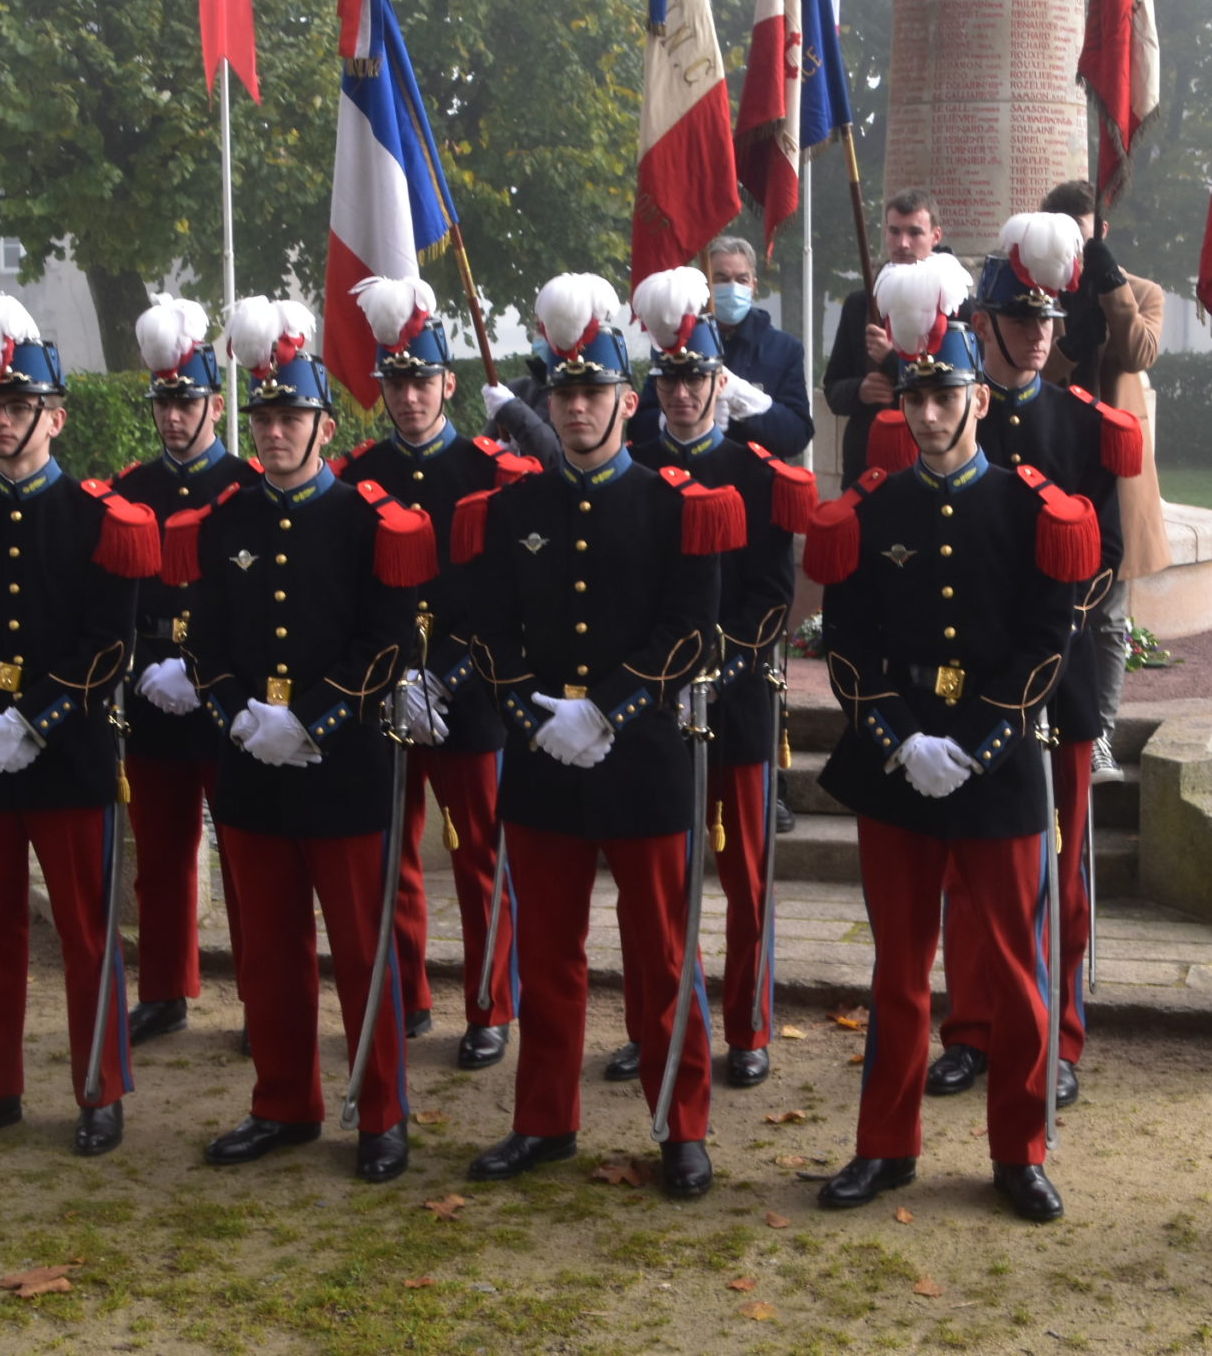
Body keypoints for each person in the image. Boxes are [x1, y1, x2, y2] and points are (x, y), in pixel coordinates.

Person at [805, 253, 1093, 1225]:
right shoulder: (871, 509)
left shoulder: (1028, 506)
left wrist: (973, 741)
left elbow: (1044, 644)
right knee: (897, 970)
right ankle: (884, 1145)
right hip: (896, 766)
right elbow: (848, 648)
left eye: (945, 397)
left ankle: (1019, 1150)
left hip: (996, 764)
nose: (928, 417)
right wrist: (899, 740)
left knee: (1014, 971)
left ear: (977, 396)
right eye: (915, 399)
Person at [451, 273, 734, 1200]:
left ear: (626, 398)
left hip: (642, 758)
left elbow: (690, 633)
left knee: (662, 956)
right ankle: (543, 1119)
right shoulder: (511, 510)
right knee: (547, 956)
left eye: (594, 391)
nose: (576, 407)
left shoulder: (672, 504)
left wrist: (606, 707)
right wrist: (537, 712)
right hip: (542, 759)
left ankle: (681, 1124)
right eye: (563, 393)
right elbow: (486, 631)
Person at [162, 296, 431, 1180]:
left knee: (360, 950)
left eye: (292, 418)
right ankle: (282, 1101)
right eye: (264, 419)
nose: (275, 433)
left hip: (343, 767)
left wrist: (309, 717)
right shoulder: (222, 522)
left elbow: (388, 643)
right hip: (252, 767)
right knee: (270, 955)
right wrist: (241, 714)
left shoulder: (369, 520)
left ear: (325, 425)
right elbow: (200, 640)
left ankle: (381, 1111)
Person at [0, 294, 158, 1157]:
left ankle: (99, 1089)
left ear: (56, 416)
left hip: (69, 749)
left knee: (85, 933)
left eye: (19, 406)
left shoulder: (98, 520)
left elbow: (109, 643)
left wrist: (34, 721)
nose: (2, 421)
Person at [922, 214, 1140, 1112]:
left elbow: (1107, 556)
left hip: (1057, 683)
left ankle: (1059, 1033)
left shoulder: (1082, 425)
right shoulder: (948, 413)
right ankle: (971, 1027)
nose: (1040, 333)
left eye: (1048, 318)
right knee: (969, 868)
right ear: (985, 324)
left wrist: (1043, 651)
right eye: (1022, 318)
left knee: (1060, 863)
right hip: (972, 684)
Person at [608, 266, 815, 1091]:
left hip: (737, 697)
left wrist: (716, 668)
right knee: (651, 885)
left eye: (696, 377)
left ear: (719, 381)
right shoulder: (633, 467)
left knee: (747, 878)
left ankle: (748, 1025)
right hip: (654, 702)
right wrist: (658, 678)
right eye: (670, 378)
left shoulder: (756, 470)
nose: (683, 392)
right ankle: (654, 1022)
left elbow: (772, 598)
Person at [339, 275, 539, 1073]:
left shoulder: (489, 472)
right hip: (385, 692)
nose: (409, 395)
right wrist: (390, 677)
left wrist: (446, 676)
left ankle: (489, 1005)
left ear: (449, 384)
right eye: (395, 383)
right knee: (390, 853)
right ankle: (409, 992)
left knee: (480, 855)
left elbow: (505, 599)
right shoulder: (359, 475)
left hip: (470, 690)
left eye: (422, 380)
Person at [116, 295, 257, 1048]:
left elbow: (252, 608)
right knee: (161, 854)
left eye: (188, 402)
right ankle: (165, 989)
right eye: (164, 403)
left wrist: (200, 674)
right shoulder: (130, 490)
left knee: (245, 857)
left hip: (225, 700)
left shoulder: (247, 487)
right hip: (150, 698)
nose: (174, 417)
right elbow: (116, 600)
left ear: (216, 404)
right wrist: (143, 665)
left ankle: (260, 996)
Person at [1035, 178, 1167, 784]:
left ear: (1103, 234)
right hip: (1052, 463)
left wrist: (1111, 289)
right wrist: (1070, 341)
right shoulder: (1036, 293)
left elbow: (1138, 353)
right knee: (1044, 607)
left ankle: (1102, 733)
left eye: (1087, 239)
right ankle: (1039, 720)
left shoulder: (1142, 291)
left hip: (1113, 471)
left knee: (1109, 617)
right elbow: (1031, 371)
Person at [632, 235, 812, 458]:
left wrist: (743, 399)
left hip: (753, 473)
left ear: (754, 286)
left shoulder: (784, 349)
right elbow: (639, 429)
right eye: (722, 279)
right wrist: (677, 415)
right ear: (706, 285)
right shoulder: (674, 343)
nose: (733, 287)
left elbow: (797, 436)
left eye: (742, 279)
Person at [820, 188, 942, 491]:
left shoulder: (953, 304)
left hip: (930, 458)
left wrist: (891, 359)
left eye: (915, 232)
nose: (903, 243)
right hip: (866, 461)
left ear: (935, 236)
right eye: (894, 231)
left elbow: (953, 385)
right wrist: (860, 390)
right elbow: (834, 389)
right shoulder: (859, 304)